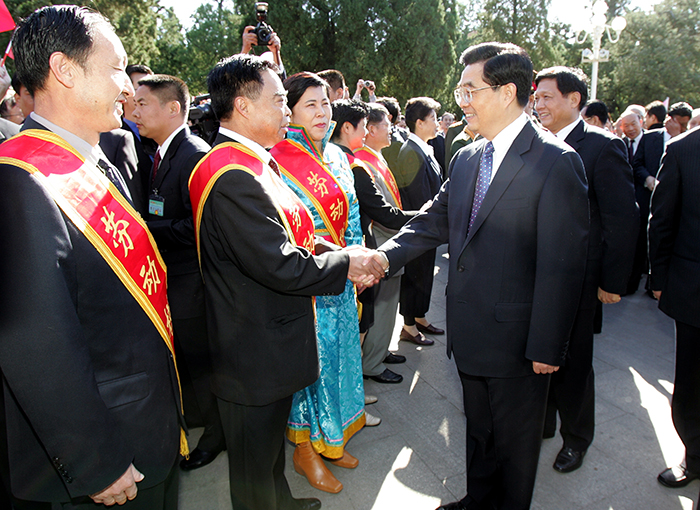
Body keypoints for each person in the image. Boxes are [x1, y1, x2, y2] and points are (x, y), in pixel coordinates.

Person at [372, 41, 589, 510]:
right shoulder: (469, 157)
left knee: (515, 449)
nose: (462, 102)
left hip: (519, 342)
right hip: (470, 333)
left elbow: (563, 265)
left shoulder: (555, 160)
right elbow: (434, 219)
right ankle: (478, 501)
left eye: (470, 90)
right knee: (480, 433)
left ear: (507, 91)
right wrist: (383, 258)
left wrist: (547, 347)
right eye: (460, 91)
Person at [0, 5, 184, 509]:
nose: (127, 87)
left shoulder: (96, 160)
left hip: (147, 428)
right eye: (116, 68)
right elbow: (36, 342)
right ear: (64, 69)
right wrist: (94, 461)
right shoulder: (19, 181)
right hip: (109, 461)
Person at [190, 55, 381, 510]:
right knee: (253, 471)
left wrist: (339, 251)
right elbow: (279, 264)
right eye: (279, 101)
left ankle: (282, 501)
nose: (286, 111)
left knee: (268, 456)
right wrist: (345, 264)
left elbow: (293, 235)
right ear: (242, 106)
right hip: (252, 351)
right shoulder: (232, 174)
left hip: (268, 342)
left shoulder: (252, 161)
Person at [534, 66, 638, 473]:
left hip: (579, 279)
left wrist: (612, 282)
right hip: (536, 275)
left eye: (546, 97)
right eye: (536, 98)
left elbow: (621, 220)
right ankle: (542, 424)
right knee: (538, 354)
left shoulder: (602, 146)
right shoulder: (535, 142)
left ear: (574, 99)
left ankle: (576, 439)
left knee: (574, 362)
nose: (538, 104)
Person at [270, 72, 368, 495]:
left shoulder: (339, 156)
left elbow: (354, 212)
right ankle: (305, 449)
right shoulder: (276, 158)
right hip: (308, 281)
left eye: (325, 103)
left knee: (341, 360)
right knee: (313, 365)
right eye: (310, 104)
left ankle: (332, 439)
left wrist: (359, 262)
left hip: (342, 275)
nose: (321, 112)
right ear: (289, 110)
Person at [132, 74, 226, 471]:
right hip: (173, 281)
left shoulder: (194, 154)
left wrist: (149, 228)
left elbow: (200, 226)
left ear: (173, 109)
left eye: (143, 103)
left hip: (193, 283)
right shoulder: (160, 152)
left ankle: (218, 435)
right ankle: (202, 417)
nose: (134, 111)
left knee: (203, 363)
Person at [330, 99, 416, 385]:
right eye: (363, 126)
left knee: (370, 315)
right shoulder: (352, 165)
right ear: (347, 128)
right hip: (358, 250)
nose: (367, 132)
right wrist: (427, 216)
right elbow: (383, 213)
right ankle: (366, 369)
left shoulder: (344, 161)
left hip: (352, 248)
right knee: (364, 317)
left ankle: (373, 359)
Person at [648, 127, 700, 490]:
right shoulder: (684, 149)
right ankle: (694, 456)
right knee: (692, 385)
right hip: (695, 293)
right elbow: (663, 218)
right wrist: (660, 277)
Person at [393, 96, 445, 347]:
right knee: (415, 274)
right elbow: (418, 197)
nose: (437, 123)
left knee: (425, 273)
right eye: (433, 118)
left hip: (429, 226)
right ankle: (409, 326)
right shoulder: (411, 152)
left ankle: (420, 317)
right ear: (420, 123)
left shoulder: (424, 148)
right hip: (420, 225)